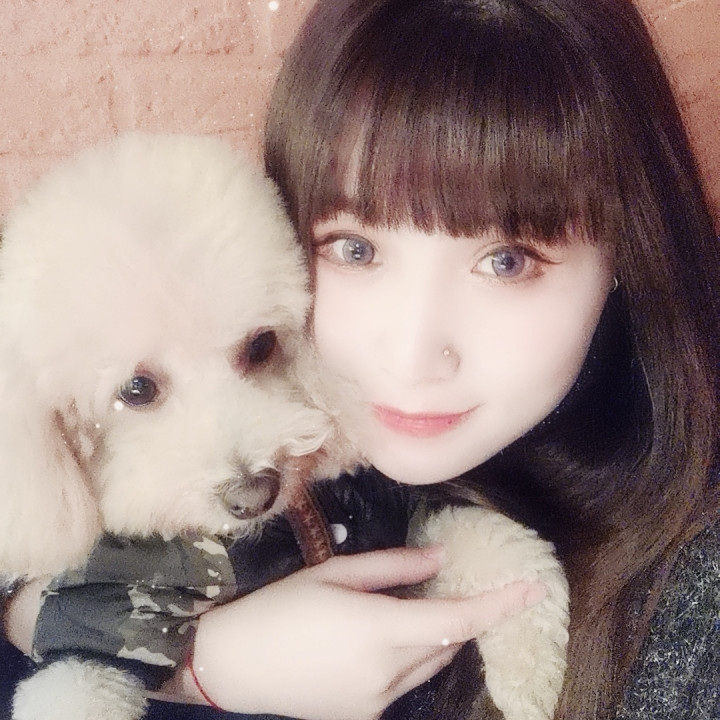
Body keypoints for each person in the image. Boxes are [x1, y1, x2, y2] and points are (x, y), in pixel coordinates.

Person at [2, 0, 719, 719]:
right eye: (356, 248)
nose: (412, 355)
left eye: (507, 260)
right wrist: (197, 663)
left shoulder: (693, 600)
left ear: (627, 252)